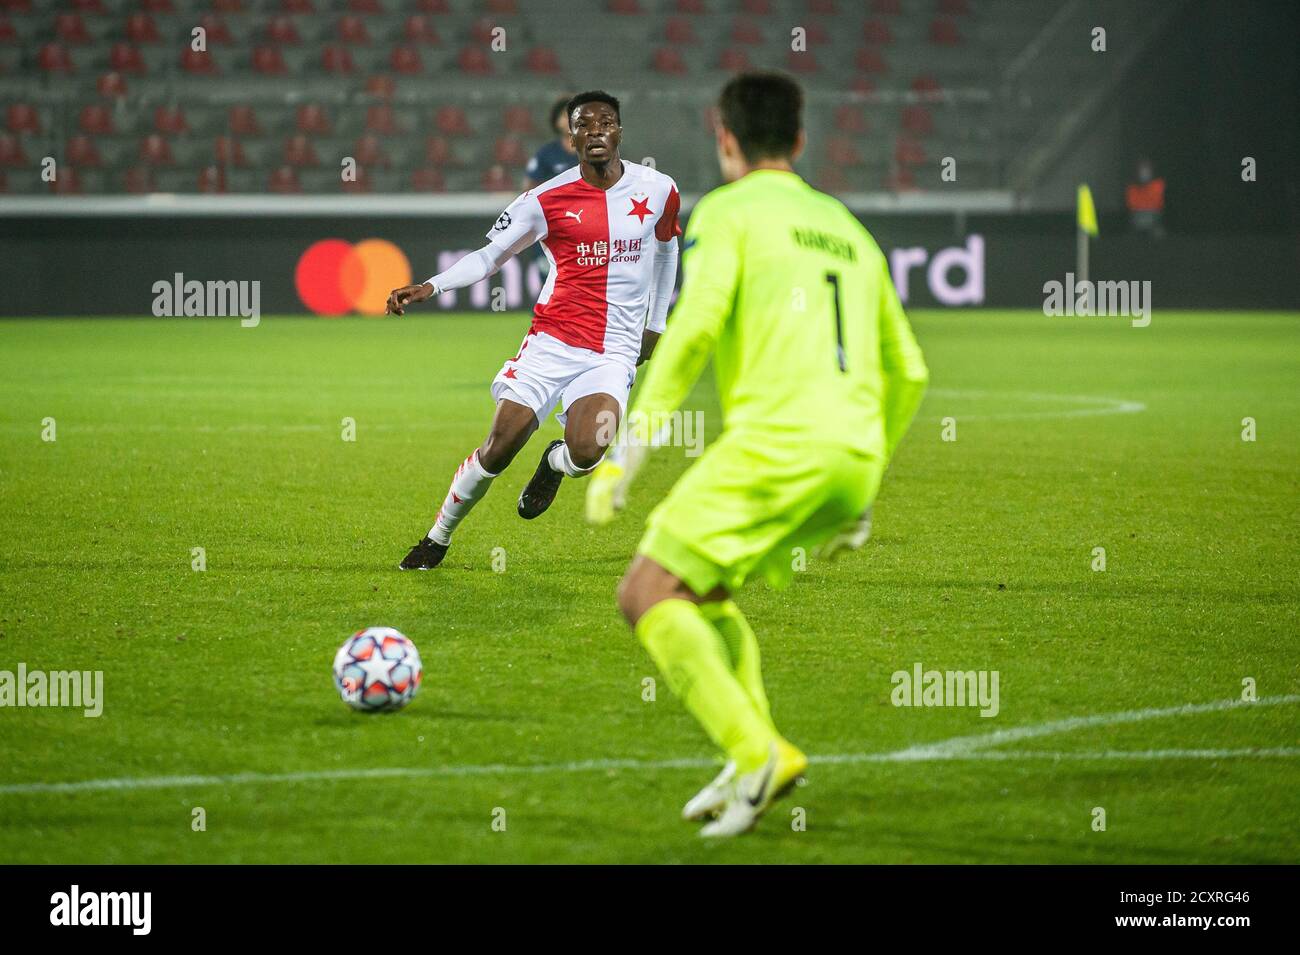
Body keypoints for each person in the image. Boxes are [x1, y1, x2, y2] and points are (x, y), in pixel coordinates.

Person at [611, 71, 929, 838]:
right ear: (801, 139)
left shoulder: (729, 212)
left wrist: (634, 442)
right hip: (852, 456)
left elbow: (692, 329)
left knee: (645, 591)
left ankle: (756, 750)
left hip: (777, 445)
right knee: (704, 588)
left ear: (724, 136)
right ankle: (751, 750)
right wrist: (864, 482)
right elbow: (911, 369)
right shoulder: (847, 225)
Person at [386, 91, 682, 570]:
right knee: (500, 447)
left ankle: (554, 464)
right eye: (583, 125)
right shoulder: (545, 199)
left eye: (605, 123)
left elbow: (668, 250)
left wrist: (657, 323)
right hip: (552, 342)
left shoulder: (659, 189)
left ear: (620, 131)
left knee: (588, 453)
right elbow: (490, 257)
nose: (595, 133)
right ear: (572, 138)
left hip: (615, 350)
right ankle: (437, 538)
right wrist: (430, 286)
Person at [523, 95, 579, 190]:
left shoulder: (594, 150)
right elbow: (529, 185)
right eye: (565, 116)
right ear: (556, 121)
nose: (570, 120)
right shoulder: (546, 153)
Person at [1126, 158, 1166, 237]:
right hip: (1136, 226)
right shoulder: (1131, 188)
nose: (1144, 172)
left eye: (1147, 169)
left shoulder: (1159, 185)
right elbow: (1131, 206)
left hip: (1154, 225)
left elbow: (1157, 204)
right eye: (1142, 169)